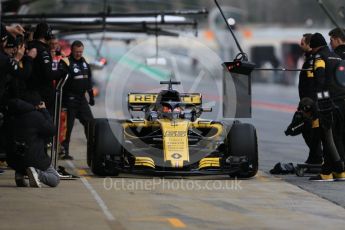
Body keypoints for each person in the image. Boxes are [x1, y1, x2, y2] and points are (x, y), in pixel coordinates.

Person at [308, 32, 345, 181]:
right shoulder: (336, 57)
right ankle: (339, 171)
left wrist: (320, 97)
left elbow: (320, 76)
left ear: (314, 47)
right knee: (338, 137)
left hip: (328, 102)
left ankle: (326, 172)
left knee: (327, 136)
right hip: (341, 100)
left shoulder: (320, 57)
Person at [6, 92, 60, 187]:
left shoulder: (10, 115)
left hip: (13, 159)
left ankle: (20, 174)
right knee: (55, 179)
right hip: (33, 159)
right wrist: (44, 111)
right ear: (37, 104)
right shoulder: (36, 116)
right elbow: (52, 130)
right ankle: (37, 173)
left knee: (22, 147)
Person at [59, 40, 94, 160]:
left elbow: (88, 80)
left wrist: (91, 96)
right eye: (77, 52)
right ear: (72, 51)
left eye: (81, 52)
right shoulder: (66, 62)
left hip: (81, 99)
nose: (79, 54)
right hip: (69, 99)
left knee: (90, 123)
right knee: (67, 126)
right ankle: (63, 151)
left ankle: (93, 147)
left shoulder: (85, 63)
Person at [26, 22, 64, 114]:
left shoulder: (30, 46)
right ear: (46, 34)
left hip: (32, 90)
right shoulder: (43, 51)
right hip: (43, 93)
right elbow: (48, 74)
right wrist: (62, 71)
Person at [297, 33, 323, 165]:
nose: (300, 45)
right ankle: (315, 155)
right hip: (307, 101)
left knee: (309, 130)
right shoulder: (309, 59)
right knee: (308, 130)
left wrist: (310, 104)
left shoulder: (313, 61)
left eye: (302, 43)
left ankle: (317, 157)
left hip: (311, 103)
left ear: (309, 44)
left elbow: (313, 84)